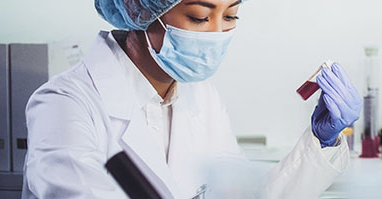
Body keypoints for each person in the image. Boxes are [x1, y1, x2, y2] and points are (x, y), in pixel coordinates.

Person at [21, 0, 363, 198]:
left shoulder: (200, 96)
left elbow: (240, 197)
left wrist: (322, 140)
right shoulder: (64, 105)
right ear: (140, 10)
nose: (217, 34)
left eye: (230, 16)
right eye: (200, 17)